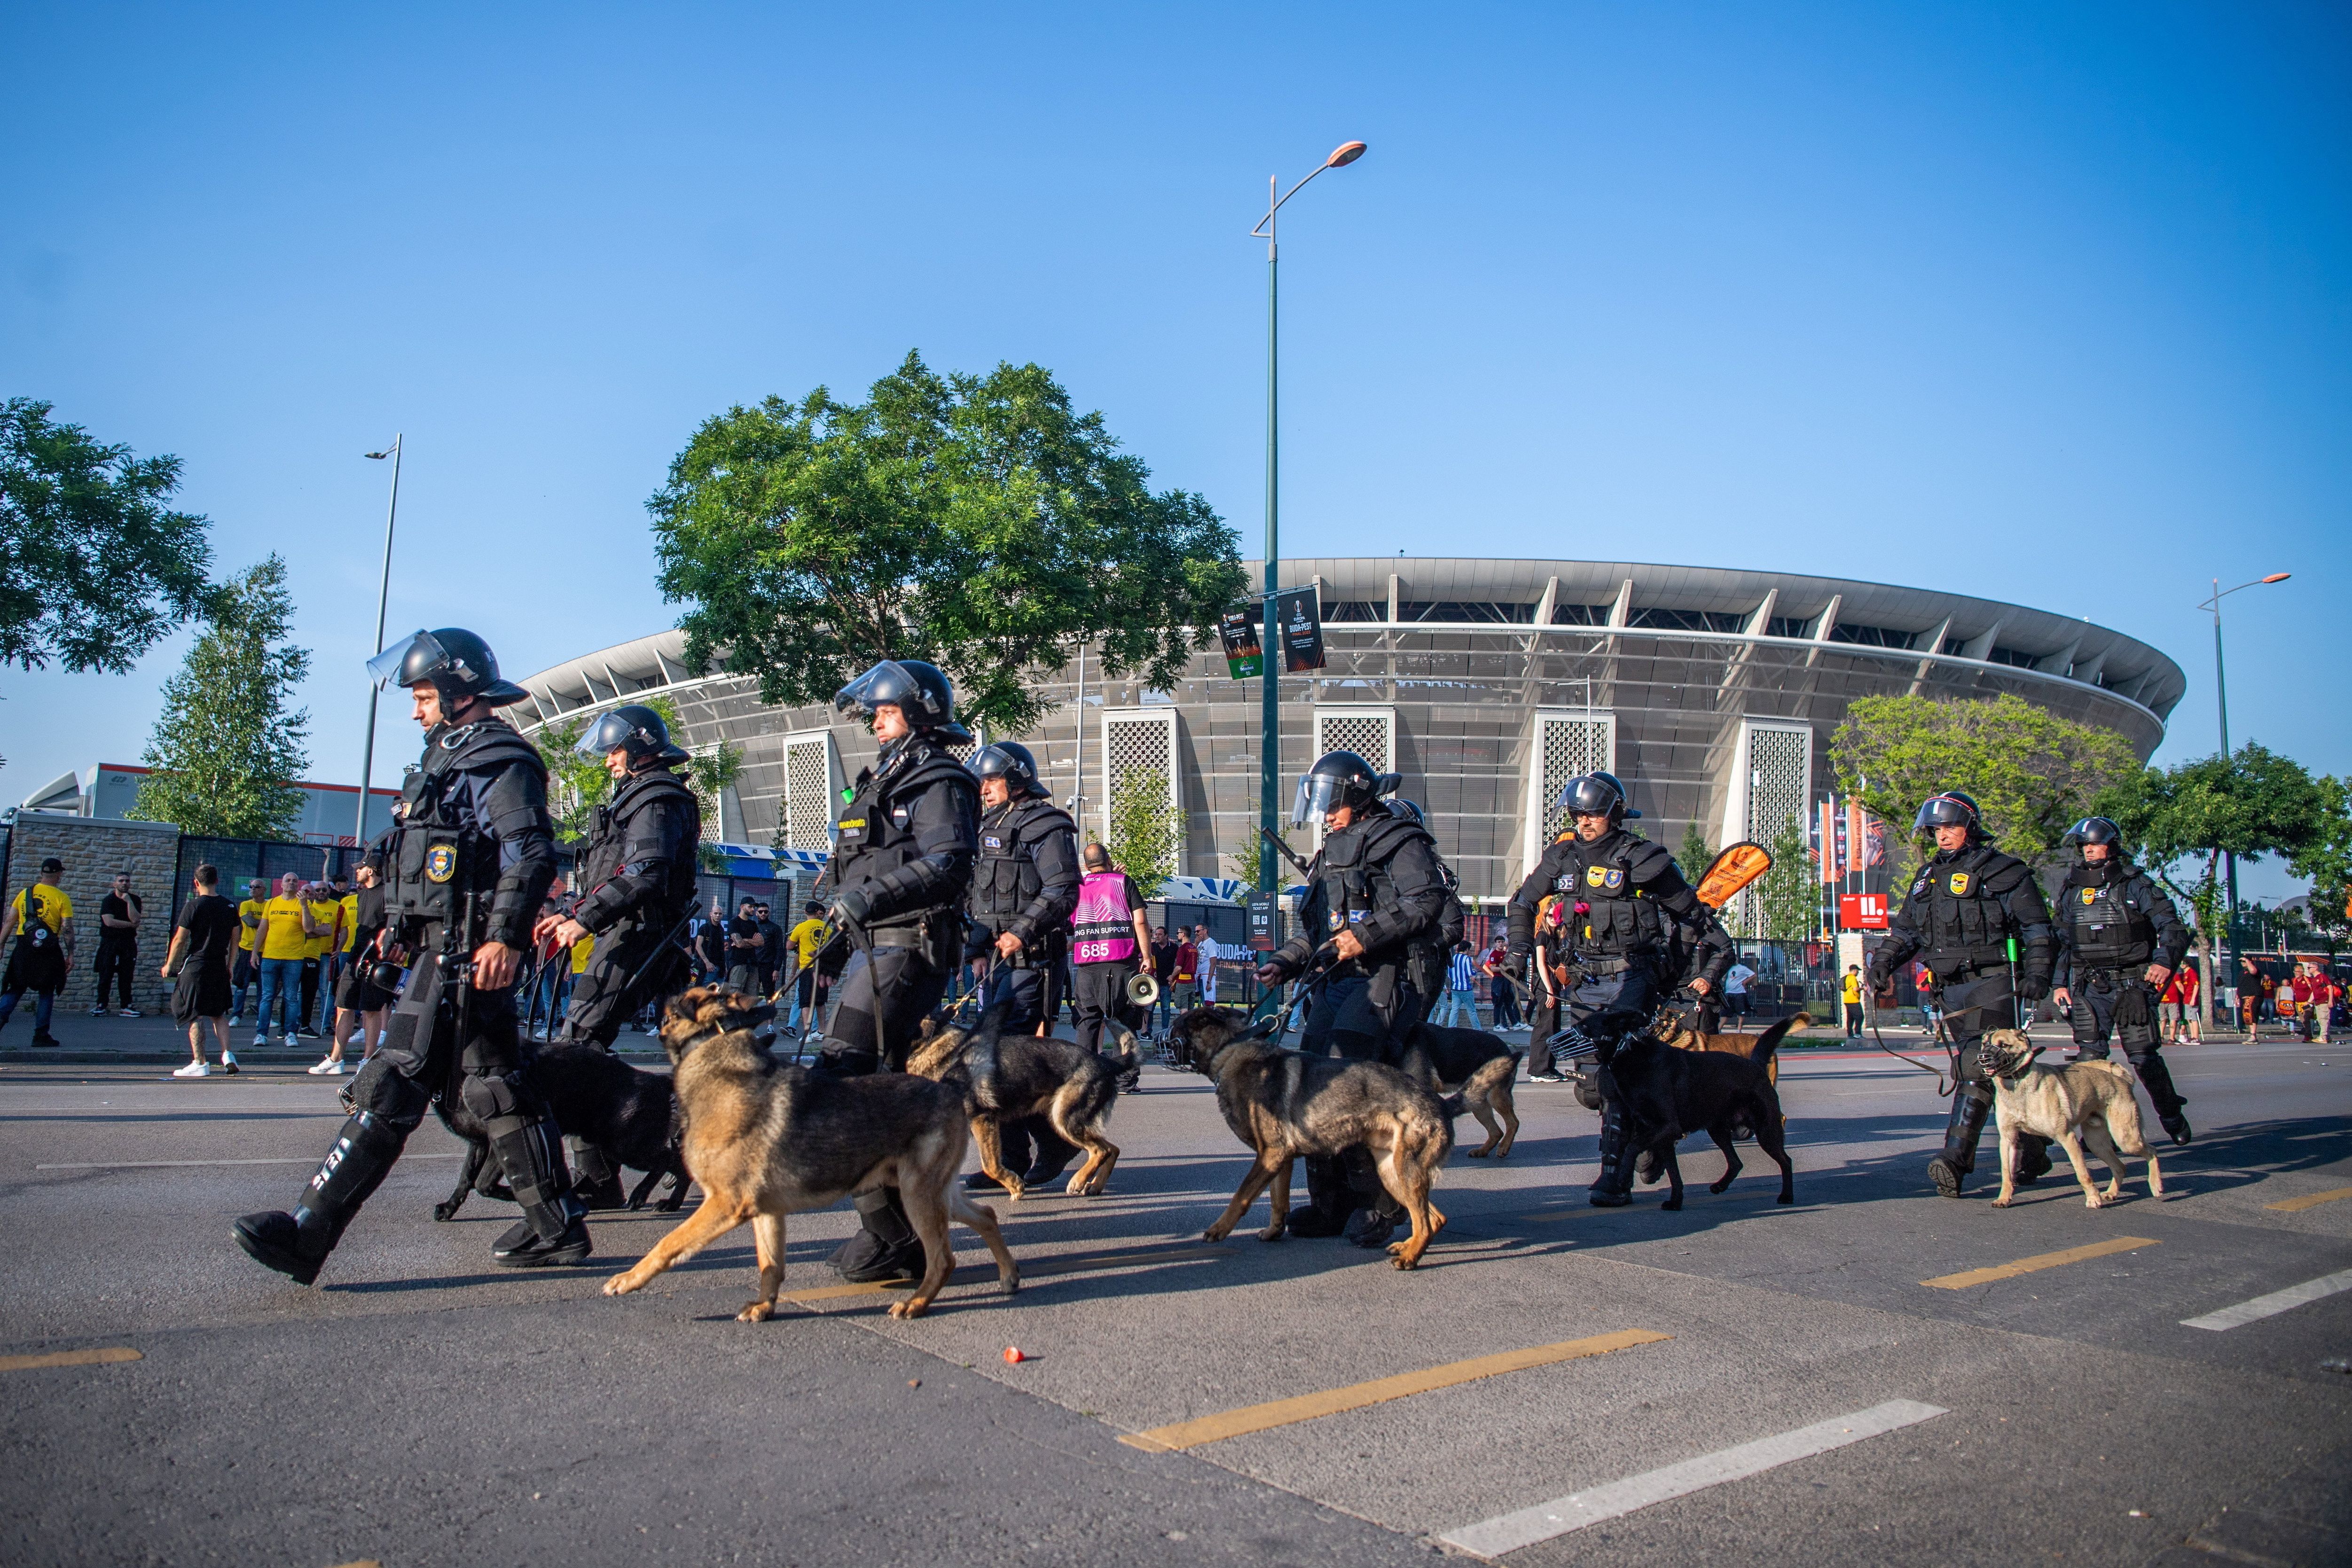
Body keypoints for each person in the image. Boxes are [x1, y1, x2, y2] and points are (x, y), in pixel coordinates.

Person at [235, 626, 583, 1282]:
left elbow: (531, 852)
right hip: (441, 945)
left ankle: (308, 1233)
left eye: (423, 695)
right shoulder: (448, 759)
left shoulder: (496, 758)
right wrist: (395, 927)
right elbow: (429, 861)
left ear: (458, 692)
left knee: (393, 1079)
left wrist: (503, 937)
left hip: (464, 952)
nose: (415, 708)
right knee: (494, 1086)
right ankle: (558, 1224)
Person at [817, 658, 980, 1282]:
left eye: (884, 713)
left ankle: (895, 1238)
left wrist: (866, 901)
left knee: (844, 1081)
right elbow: (844, 870)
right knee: (867, 1089)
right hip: (869, 947)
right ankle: (897, 1232)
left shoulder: (939, 778)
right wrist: (822, 928)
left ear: (915, 714)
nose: (875, 724)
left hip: (909, 945)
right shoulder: (878, 781)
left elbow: (948, 864)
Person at [1505, 772, 1731, 1204]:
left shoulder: (1644, 859)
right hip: (1586, 980)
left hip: (1634, 980)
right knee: (1591, 1086)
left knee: (1621, 1077)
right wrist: (1518, 949)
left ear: (1614, 814)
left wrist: (1671, 971)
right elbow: (1522, 902)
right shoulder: (1561, 857)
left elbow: (1692, 916)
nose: (1584, 821)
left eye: (1592, 813)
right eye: (1577, 813)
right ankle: (1651, 1136)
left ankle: (1615, 1175)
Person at [1254, 750, 1448, 1247]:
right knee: (1315, 1079)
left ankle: (1379, 1206)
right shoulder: (1331, 851)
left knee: (1350, 1072)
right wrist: (1286, 960)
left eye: (1332, 800)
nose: (1324, 812)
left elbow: (1426, 901)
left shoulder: (1400, 839)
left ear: (1357, 795)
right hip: (1340, 978)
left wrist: (1368, 934)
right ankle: (1329, 1204)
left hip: (1391, 974)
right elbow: (1320, 932)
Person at [534, 703, 703, 1202]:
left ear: (640, 749)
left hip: (641, 935)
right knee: (692, 1052)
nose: (608, 760)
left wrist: (584, 920)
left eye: (615, 750)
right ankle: (679, 1151)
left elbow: (647, 873)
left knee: (578, 1046)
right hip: (634, 932)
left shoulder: (655, 797)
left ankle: (603, 1179)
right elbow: (613, 872)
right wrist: (573, 912)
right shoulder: (636, 795)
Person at [1866, 790, 2059, 1199]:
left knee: (1976, 1065)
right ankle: (2033, 1150)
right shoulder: (1925, 877)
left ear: (1970, 827)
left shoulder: (2005, 871)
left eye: (1950, 827)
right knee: (1997, 1073)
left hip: (1992, 982)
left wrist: (2038, 973)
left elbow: (2037, 928)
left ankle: (1955, 1160)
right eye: (1936, 829)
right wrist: (1883, 963)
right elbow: (1907, 931)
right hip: (1948, 990)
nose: (1942, 836)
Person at [961, 740, 1081, 1186]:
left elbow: (1064, 890)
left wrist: (1021, 931)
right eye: (983, 782)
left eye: (991, 781)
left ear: (1016, 780)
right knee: (992, 1059)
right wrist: (976, 949)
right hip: (997, 961)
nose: (984, 789)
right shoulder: (990, 825)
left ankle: (1052, 1144)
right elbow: (983, 898)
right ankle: (1010, 1159)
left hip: (1034, 959)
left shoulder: (1046, 825)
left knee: (1004, 1058)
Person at [2048, 816, 2193, 1144]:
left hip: (2132, 984)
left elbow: (2172, 928)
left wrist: (2164, 963)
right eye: (2084, 846)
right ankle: (2100, 1134)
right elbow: (2062, 942)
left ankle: (2171, 1114)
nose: (2089, 851)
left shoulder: (2135, 884)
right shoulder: (2072, 889)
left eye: (2095, 844)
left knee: (2142, 1057)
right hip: (2089, 985)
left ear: (2111, 846)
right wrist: (2059, 984)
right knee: (2090, 1060)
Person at [1070, 841, 1152, 1077]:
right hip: (1122, 962)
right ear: (1108, 860)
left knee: (1087, 1023)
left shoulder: (1078, 887)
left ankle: (1083, 1079)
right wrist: (1146, 956)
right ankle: (1125, 1081)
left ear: (1086, 866)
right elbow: (1140, 921)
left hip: (1087, 966)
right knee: (1125, 1023)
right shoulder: (1123, 882)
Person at [163, 863, 239, 1077]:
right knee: (218, 1013)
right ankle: (227, 1055)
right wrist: (230, 966)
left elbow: (180, 939)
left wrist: (169, 964)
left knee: (193, 1012)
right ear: (217, 881)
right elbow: (236, 940)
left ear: (196, 883)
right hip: (219, 964)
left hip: (197, 964)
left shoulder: (193, 906)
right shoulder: (230, 906)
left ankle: (200, 1062)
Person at [318, 861, 393, 1074]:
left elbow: (393, 925)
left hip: (376, 957)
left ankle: (367, 1060)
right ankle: (336, 1059)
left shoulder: (387, 894)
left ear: (370, 870)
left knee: (371, 1009)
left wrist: (384, 940)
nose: (357, 873)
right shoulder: (361, 895)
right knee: (343, 1003)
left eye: (360, 869)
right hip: (356, 954)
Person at [0, 857, 76, 1047]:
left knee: (16, 988)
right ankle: (41, 1035)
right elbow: (67, 928)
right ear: (59, 875)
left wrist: (1, 945)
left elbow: (10, 921)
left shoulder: (24, 894)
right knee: (47, 991)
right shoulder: (61, 897)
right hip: (49, 951)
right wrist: (71, 954)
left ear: (42, 873)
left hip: (23, 948)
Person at [250, 872, 319, 1048]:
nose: (291, 883)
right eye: (288, 881)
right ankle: (261, 1034)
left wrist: (304, 906)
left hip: (293, 958)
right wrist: (255, 952)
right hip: (271, 957)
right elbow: (262, 929)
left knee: (291, 997)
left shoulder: (304, 903)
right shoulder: (272, 903)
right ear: (281, 884)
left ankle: (290, 1033)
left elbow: (309, 928)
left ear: (298, 885)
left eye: (295, 881)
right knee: (267, 997)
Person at [91, 871, 145, 1018]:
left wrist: (128, 902)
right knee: (106, 974)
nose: (124, 884)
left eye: (127, 881)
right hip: (110, 943)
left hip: (127, 944)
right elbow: (109, 922)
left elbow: (136, 919)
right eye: (121, 881)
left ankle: (126, 1007)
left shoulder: (134, 900)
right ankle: (101, 1005)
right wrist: (130, 925)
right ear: (115, 884)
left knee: (126, 976)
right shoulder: (108, 900)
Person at [298, 879, 342, 1037]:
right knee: (298, 992)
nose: (320, 893)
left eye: (324, 890)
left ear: (329, 891)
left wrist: (339, 948)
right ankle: (297, 1023)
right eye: (317, 891)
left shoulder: (335, 907)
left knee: (325, 990)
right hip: (300, 954)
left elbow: (336, 930)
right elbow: (301, 932)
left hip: (326, 955)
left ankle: (324, 1025)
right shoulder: (304, 908)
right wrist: (316, 931)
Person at [231, 878, 266, 1022]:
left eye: (256, 887)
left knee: (262, 987)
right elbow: (250, 923)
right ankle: (236, 1016)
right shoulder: (245, 905)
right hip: (247, 949)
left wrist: (263, 922)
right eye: (251, 887)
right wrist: (265, 922)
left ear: (264, 890)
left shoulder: (269, 905)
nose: (253, 889)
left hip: (265, 951)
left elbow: (272, 923)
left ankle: (262, 1018)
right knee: (242, 986)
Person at [1432, 941, 1479, 1028]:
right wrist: (1475, 972)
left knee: (1454, 1010)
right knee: (1472, 1011)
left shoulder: (1453, 958)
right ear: (1467, 949)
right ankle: (1478, 1029)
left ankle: (1451, 1028)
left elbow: (1450, 974)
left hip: (1455, 989)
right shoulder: (1467, 959)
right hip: (1466, 989)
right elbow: (1469, 973)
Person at [1482, 938, 1522, 1030]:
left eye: (1502, 942)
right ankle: (1497, 1025)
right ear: (1495, 944)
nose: (1501, 944)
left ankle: (1515, 1024)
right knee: (1498, 1004)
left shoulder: (1505, 954)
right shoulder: (1494, 955)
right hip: (1498, 981)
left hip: (1506, 981)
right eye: (1499, 942)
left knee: (1508, 1003)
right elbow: (1492, 968)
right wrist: (1504, 969)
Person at [1148, 925, 1181, 1036]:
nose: (1157, 936)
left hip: (1166, 983)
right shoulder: (1152, 946)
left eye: (1160, 934)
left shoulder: (1174, 947)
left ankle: (1165, 1032)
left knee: (1166, 1008)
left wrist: (1173, 977)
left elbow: (1179, 963)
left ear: (1166, 936)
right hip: (1153, 983)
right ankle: (1148, 1032)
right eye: (1156, 934)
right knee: (1150, 1009)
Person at [725, 897, 762, 992]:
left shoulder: (753, 924)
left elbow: (761, 942)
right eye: (750, 907)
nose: (753, 910)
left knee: (752, 996)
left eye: (754, 907)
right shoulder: (734, 922)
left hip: (753, 964)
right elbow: (740, 944)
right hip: (738, 963)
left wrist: (745, 940)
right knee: (735, 996)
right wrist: (753, 942)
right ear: (742, 907)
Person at [1721, 958, 1756, 1024]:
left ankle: (1739, 1030)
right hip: (1729, 993)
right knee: (1725, 1014)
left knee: (1741, 1013)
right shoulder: (1728, 968)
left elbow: (1753, 975)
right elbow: (1723, 979)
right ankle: (1719, 1029)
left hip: (1739, 993)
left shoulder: (1742, 968)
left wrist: (1745, 982)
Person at [1842, 965, 1865, 1038]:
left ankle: (1850, 1034)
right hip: (1854, 1000)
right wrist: (1863, 988)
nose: (1858, 973)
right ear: (1854, 970)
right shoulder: (1853, 978)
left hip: (1847, 1000)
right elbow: (1855, 989)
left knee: (1850, 1018)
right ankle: (1858, 1033)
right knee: (1860, 1016)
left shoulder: (1847, 978)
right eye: (1858, 971)